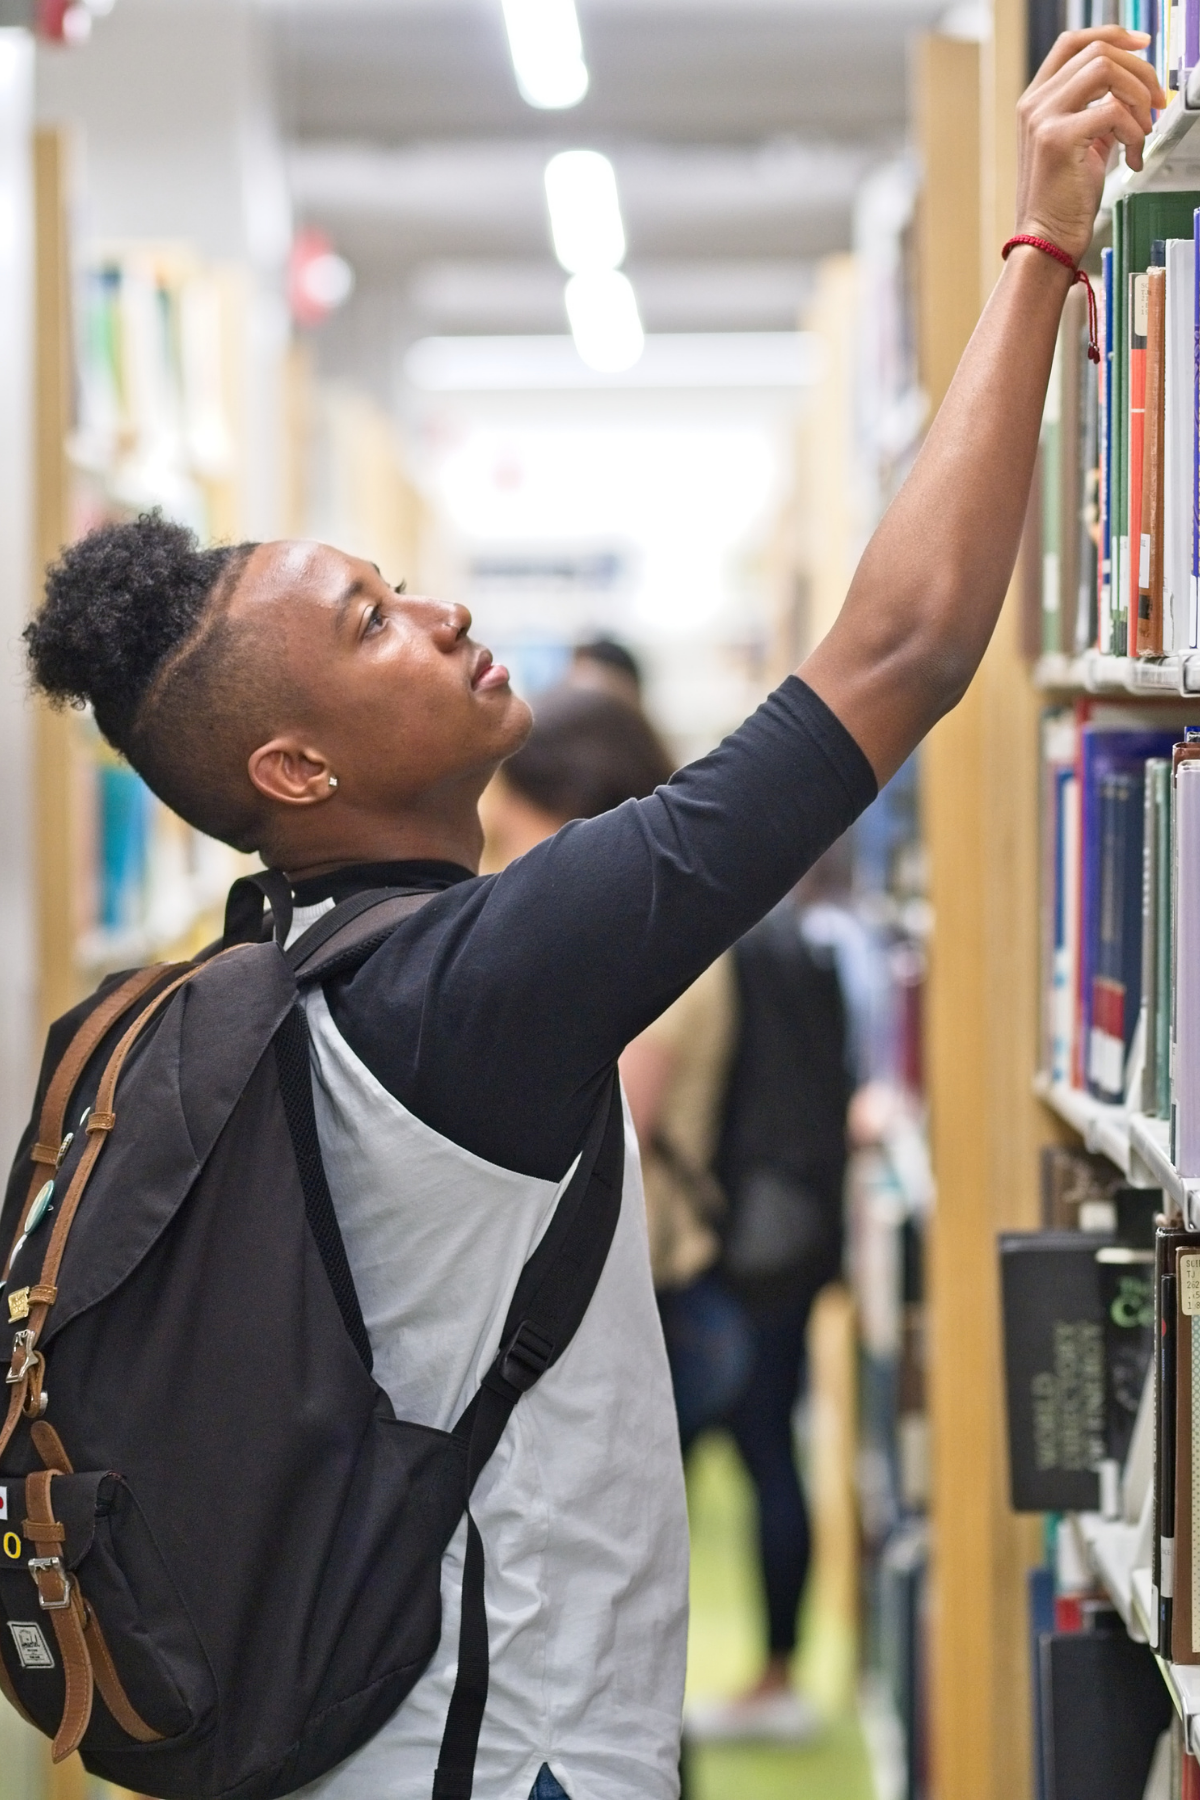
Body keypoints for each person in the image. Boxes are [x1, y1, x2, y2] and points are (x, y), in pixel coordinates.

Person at [18, 33, 1161, 1800]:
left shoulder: (282, 975)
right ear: (300, 767)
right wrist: (1043, 248)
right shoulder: (477, 987)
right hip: (508, 1760)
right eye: (376, 623)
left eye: (399, 586)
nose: (446, 614)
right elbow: (905, 652)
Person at [485, 687, 748, 1441]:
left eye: (515, 839)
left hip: (638, 1297)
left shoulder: (656, 953)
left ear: (579, 815)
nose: (503, 871)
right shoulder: (627, 934)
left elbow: (603, 1144)